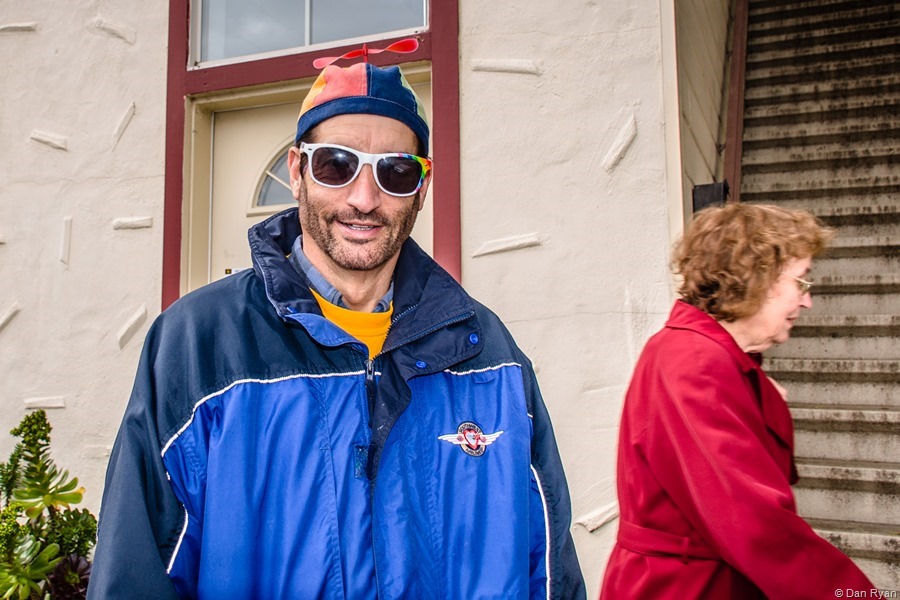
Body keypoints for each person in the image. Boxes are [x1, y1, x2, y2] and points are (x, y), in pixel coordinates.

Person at [87, 57, 585, 599]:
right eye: (336, 165)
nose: (364, 199)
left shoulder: (489, 353)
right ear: (297, 172)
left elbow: (549, 567)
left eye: (394, 171)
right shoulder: (196, 344)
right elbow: (138, 566)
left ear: (421, 185)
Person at [600, 203, 875, 598]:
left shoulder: (708, 354)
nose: (806, 301)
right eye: (801, 282)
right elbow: (754, 521)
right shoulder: (695, 361)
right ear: (757, 277)